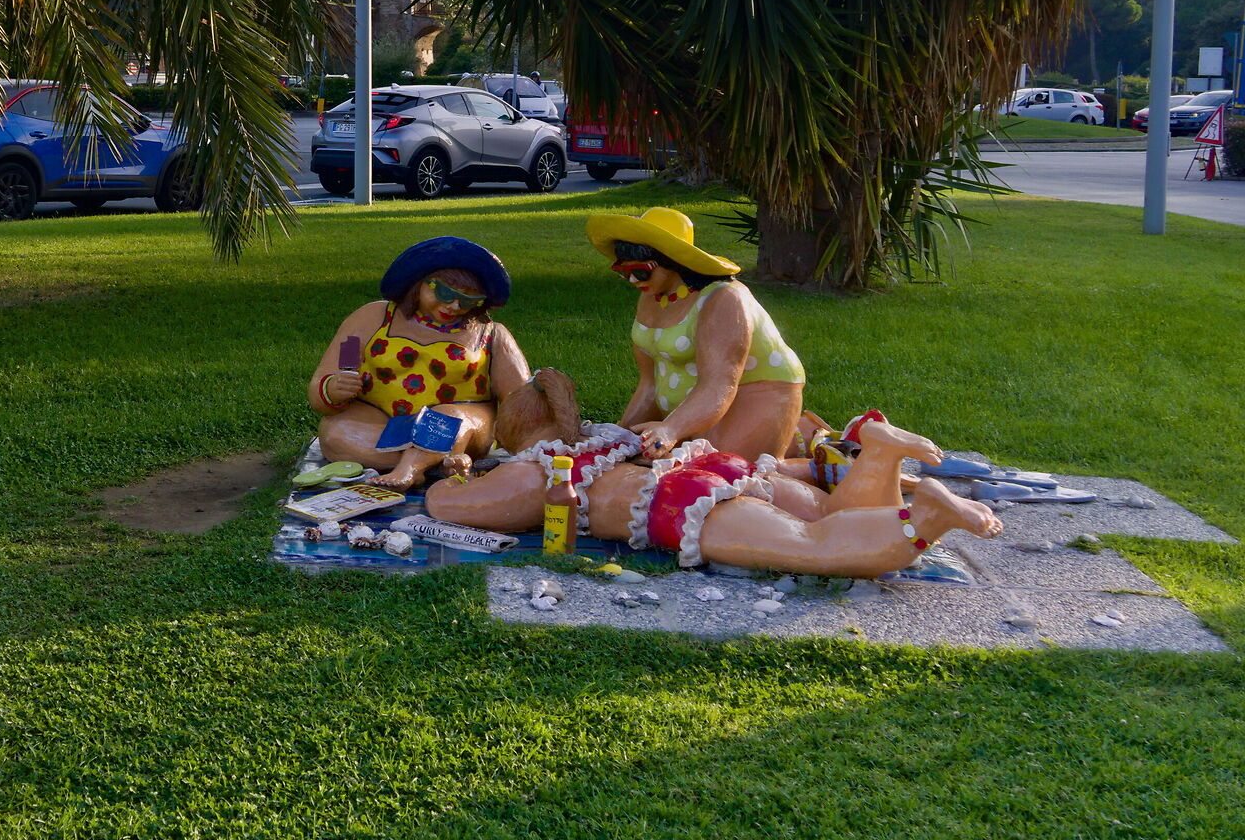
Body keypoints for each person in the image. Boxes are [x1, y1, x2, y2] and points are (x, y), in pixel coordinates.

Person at [423, 413, 1002, 577]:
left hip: (679, 500)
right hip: (719, 467)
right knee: (828, 512)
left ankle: (926, 514)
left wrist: (452, 473)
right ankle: (878, 452)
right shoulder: (612, 439)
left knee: (816, 546)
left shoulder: (544, 470)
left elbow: (449, 507)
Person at [308, 238, 572, 491]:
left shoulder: (490, 334)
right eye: (446, 293)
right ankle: (436, 461)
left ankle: (409, 469)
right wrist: (333, 388)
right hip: (380, 420)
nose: (455, 306)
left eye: (469, 301)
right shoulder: (373, 318)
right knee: (338, 432)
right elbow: (336, 369)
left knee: (447, 419)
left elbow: (518, 404)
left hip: (460, 425)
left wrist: (541, 403)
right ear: (419, 283)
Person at [584, 206, 805, 463]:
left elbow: (719, 384)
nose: (633, 280)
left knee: (720, 471)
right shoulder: (652, 296)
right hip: (691, 411)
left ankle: (805, 461)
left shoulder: (723, 299)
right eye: (624, 272)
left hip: (751, 394)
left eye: (641, 271)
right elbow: (650, 383)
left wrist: (671, 429)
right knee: (630, 461)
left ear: (673, 262)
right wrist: (621, 437)